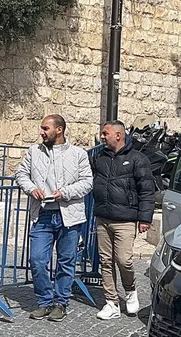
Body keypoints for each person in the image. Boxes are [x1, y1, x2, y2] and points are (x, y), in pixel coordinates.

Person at [15, 114, 93, 322]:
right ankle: (44, 301)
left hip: (69, 214)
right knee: (37, 260)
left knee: (66, 261)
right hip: (43, 214)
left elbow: (87, 182)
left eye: (45, 128)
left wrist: (64, 192)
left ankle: (61, 302)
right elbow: (21, 175)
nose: (41, 132)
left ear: (59, 130)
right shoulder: (34, 152)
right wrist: (32, 189)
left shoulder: (78, 154)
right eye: (41, 128)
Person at [92, 120, 154, 320]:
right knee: (106, 261)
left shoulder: (138, 159)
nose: (102, 137)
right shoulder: (98, 157)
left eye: (105, 133)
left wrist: (145, 218)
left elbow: (146, 190)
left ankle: (130, 290)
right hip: (103, 217)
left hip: (126, 219)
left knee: (124, 260)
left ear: (118, 135)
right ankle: (111, 303)